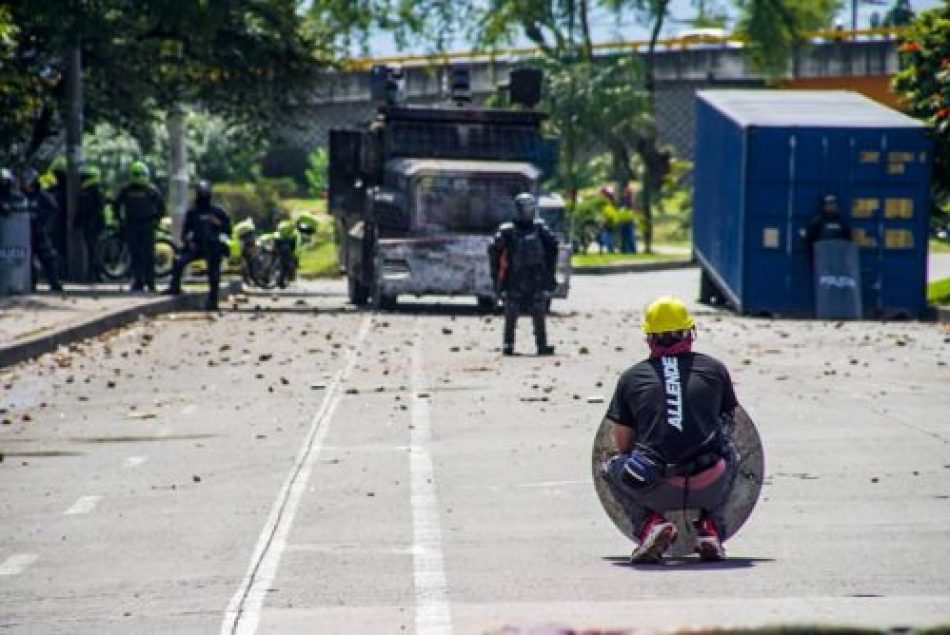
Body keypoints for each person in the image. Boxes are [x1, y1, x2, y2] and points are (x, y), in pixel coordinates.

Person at [601, 296, 740, 563]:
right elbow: (730, 426)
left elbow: (622, 444)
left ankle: (649, 525)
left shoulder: (631, 378)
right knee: (732, 453)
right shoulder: (715, 370)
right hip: (710, 479)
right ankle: (711, 527)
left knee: (610, 466)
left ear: (649, 338)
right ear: (690, 333)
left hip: (654, 482)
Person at [488, 192, 559, 356]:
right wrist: (498, 278)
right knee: (512, 313)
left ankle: (540, 345)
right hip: (516, 276)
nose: (526, 212)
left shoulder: (540, 228)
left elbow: (553, 247)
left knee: (538, 312)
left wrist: (549, 274)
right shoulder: (508, 230)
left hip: (534, 276)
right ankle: (509, 344)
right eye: (524, 208)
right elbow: (494, 251)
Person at [164, 180, 231, 310]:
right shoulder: (193, 213)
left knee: (214, 273)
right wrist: (189, 243)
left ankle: (213, 300)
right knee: (178, 261)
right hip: (197, 247)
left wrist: (220, 236)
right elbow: (185, 233)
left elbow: (228, 231)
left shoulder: (218, 212)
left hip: (213, 248)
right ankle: (174, 288)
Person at [114, 161, 165, 292]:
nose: (140, 177)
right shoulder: (126, 190)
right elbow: (116, 205)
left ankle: (150, 282)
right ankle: (138, 281)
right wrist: (120, 220)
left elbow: (161, 207)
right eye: (137, 174)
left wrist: (156, 220)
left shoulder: (151, 190)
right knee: (135, 255)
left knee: (148, 255)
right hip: (132, 225)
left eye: (142, 174)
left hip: (147, 225)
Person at [19, 168, 64, 293]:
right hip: (23, 233)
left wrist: (44, 224)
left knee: (48, 257)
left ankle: (54, 283)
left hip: (39, 232)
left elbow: (53, 212)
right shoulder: (21, 197)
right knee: (27, 260)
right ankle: (31, 284)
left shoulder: (43, 197)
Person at [76, 164, 106, 281]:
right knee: (93, 250)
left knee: (93, 250)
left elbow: (85, 209)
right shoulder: (92, 190)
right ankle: (94, 275)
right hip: (92, 224)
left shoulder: (93, 190)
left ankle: (94, 275)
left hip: (92, 224)